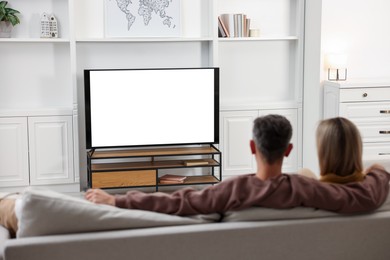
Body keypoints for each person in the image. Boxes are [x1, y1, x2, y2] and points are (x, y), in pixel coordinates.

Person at [85, 115, 390, 215]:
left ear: (252, 147)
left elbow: (180, 202)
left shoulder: (232, 189)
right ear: (289, 150)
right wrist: (377, 170)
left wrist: (117, 199)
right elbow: (364, 197)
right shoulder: (305, 188)